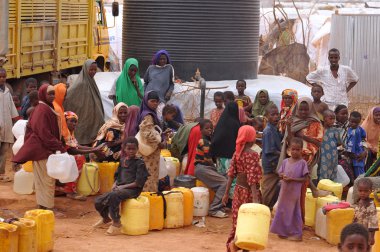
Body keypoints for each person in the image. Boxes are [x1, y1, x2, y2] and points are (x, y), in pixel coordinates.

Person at [13, 84, 66, 210]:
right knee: (47, 180)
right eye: (50, 93)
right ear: (43, 94)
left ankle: (43, 205)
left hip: (44, 149)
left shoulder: (46, 108)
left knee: (42, 180)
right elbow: (44, 133)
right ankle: (48, 207)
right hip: (43, 150)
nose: (52, 96)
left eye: (54, 93)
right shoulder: (42, 110)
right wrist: (59, 146)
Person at [278, 97, 324, 221]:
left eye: (306, 110)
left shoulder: (315, 123)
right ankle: (287, 219)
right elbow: (289, 141)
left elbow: (318, 143)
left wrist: (303, 136)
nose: (303, 112)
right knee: (288, 189)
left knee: (300, 190)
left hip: (306, 158)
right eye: (301, 110)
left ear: (310, 109)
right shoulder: (293, 120)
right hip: (292, 158)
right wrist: (288, 128)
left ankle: (299, 220)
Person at [93, 137, 149, 235]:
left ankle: (116, 222)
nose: (131, 151)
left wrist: (122, 187)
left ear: (137, 149)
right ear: (124, 148)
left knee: (114, 196)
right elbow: (117, 176)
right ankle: (106, 218)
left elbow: (138, 182)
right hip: (120, 188)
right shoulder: (123, 160)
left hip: (133, 190)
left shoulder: (140, 163)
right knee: (98, 201)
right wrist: (114, 184)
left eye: (133, 149)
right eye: (129, 149)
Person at [223, 125, 262, 252]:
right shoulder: (253, 155)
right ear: (251, 139)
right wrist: (255, 199)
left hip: (238, 192)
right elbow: (252, 178)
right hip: (249, 193)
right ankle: (240, 245)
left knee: (237, 220)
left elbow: (230, 175)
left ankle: (233, 245)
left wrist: (225, 194)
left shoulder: (237, 153)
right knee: (248, 221)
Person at [270, 137, 309, 241]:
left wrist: (293, 179)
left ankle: (297, 234)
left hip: (294, 193)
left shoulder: (302, 163)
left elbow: (305, 178)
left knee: (294, 211)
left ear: (302, 150)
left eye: (298, 149)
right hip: (284, 192)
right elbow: (279, 172)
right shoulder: (285, 161)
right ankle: (282, 232)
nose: (295, 152)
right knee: (282, 210)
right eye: (293, 149)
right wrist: (282, 175)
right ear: (289, 150)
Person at [63, 111, 103, 200]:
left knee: (79, 157)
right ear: (65, 122)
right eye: (71, 121)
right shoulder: (63, 133)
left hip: (63, 157)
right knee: (79, 158)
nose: (74, 124)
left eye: (75, 121)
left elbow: (76, 146)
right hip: (59, 157)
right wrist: (93, 150)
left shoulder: (69, 133)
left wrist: (94, 149)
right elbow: (72, 150)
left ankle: (66, 188)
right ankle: (70, 191)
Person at [64, 59, 105, 145]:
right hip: (83, 116)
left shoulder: (91, 81)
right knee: (83, 137)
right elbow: (67, 96)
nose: (93, 72)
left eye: (95, 70)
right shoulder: (80, 83)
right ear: (85, 69)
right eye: (91, 70)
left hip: (91, 116)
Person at [194, 119, 228, 218]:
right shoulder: (204, 142)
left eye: (211, 128)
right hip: (202, 168)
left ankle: (219, 205)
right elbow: (208, 159)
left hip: (205, 168)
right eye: (206, 128)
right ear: (201, 130)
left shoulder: (208, 141)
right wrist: (216, 169)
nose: (209, 130)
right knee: (224, 182)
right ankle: (214, 209)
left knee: (225, 178)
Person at [211, 102, 241, 198]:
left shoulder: (221, 122)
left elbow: (215, 139)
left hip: (220, 156)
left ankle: (220, 198)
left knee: (221, 178)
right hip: (230, 157)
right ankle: (230, 200)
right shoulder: (236, 123)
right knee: (231, 179)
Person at [136, 91, 164, 192]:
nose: (155, 104)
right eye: (152, 101)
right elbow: (146, 132)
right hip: (149, 151)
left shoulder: (150, 113)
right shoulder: (148, 115)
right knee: (150, 175)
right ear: (146, 101)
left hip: (147, 149)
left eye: (157, 102)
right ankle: (148, 197)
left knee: (149, 174)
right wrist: (158, 142)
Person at [0, 68, 19, 182]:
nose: (2, 78)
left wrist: (17, 123)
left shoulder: (7, 91)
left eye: (4, 76)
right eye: (0, 76)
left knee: (4, 152)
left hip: (6, 126)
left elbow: (13, 111)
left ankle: (1, 173)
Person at [261, 104, 282, 209]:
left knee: (273, 189)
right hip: (271, 164)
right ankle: (264, 209)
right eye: (272, 115)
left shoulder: (275, 128)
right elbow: (270, 151)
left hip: (275, 163)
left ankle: (268, 208)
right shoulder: (268, 131)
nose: (276, 117)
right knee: (268, 189)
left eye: (277, 114)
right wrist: (283, 154)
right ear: (267, 116)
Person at [144, 50, 175, 117]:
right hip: (149, 97)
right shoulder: (150, 68)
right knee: (147, 116)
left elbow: (172, 84)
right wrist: (145, 94)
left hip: (161, 98)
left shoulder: (169, 68)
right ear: (157, 59)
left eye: (164, 59)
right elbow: (145, 82)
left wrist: (169, 92)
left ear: (167, 59)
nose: (162, 61)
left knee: (159, 117)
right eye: (160, 59)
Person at [352, 178, 379, 247]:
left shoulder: (370, 205)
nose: (362, 193)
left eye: (366, 191)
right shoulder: (358, 202)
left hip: (366, 233)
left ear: (370, 191)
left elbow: (373, 222)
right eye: (360, 191)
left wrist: (372, 237)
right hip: (357, 232)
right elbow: (356, 217)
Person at [318, 110, 342, 181]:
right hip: (323, 155)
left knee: (333, 170)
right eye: (330, 118)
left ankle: (331, 187)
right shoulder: (320, 129)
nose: (333, 121)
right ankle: (323, 187)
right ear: (324, 118)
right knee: (323, 170)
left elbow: (339, 142)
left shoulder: (335, 130)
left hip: (333, 155)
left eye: (334, 119)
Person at [334, 105, 355, 184]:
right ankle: (350, 183)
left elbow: (360, 138)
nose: (345, 116)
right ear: (336, 114)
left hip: (351, 150)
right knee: (343, 160)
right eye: (343, 114)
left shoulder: (351, 125)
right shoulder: (332, 126)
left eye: (346, 114)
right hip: (337, 151)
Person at [346, 111, 367, 178]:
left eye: (356, 123)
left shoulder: (361, 130)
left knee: (359, 173)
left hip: (358, 154)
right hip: (348, 154)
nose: (354, 124)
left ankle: (362, 184)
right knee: (350, 172)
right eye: (352, 122)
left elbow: (364, 140)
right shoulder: (346, 129)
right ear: (349, 119)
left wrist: (364, 150)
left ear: (359, 122)